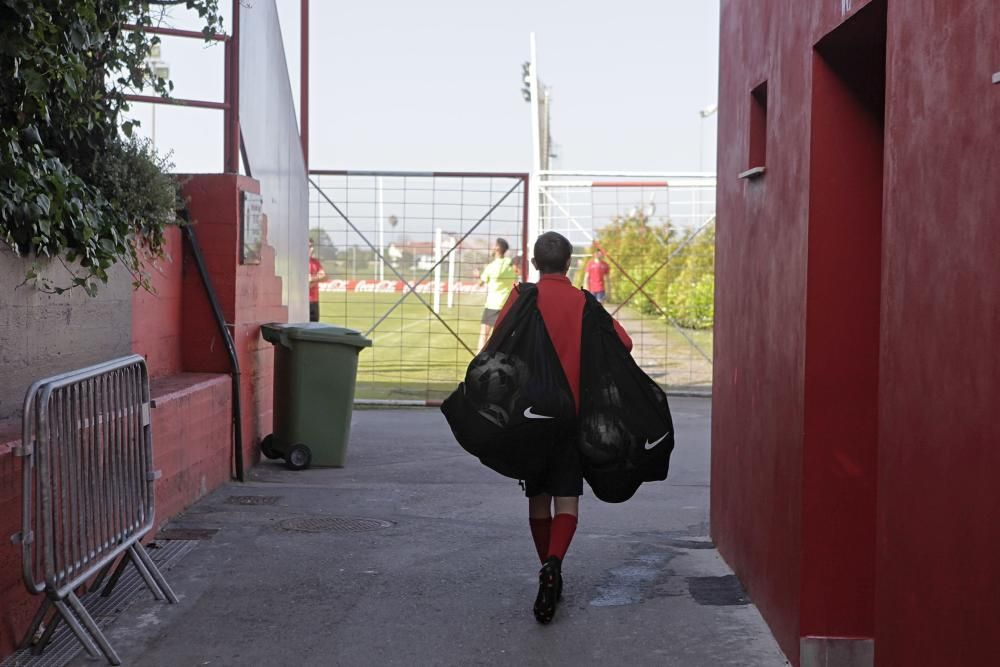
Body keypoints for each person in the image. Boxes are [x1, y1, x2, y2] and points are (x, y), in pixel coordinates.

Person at [492, 231, 632, 624]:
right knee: (567, 500)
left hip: (531, 415)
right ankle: (554, 564)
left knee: (538, 500)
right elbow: (625, 343)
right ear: (569, 264)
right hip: (572, 414)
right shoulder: (584, 302)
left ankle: (547, 571)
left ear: (534, 264)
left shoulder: (523, 298)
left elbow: (496, 344)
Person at [477, 238, 517, 351]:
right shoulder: (510, 263)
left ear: (497, 248)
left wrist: (477, 276)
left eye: (493, 245)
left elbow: (480, 283)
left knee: (484, 335)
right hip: (506, 305)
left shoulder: (490, 267)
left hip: (492, 305)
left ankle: (479, 359)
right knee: (503, 337)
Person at [308, 238, 326, 322]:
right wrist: (317, 278)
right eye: (309, 246)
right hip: (302, 302)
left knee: (314, 325)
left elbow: (324, 276)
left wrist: (312, 279)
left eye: (312, 246)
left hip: (314, 300)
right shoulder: (299, 261)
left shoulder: (316, 262)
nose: (312, 249)